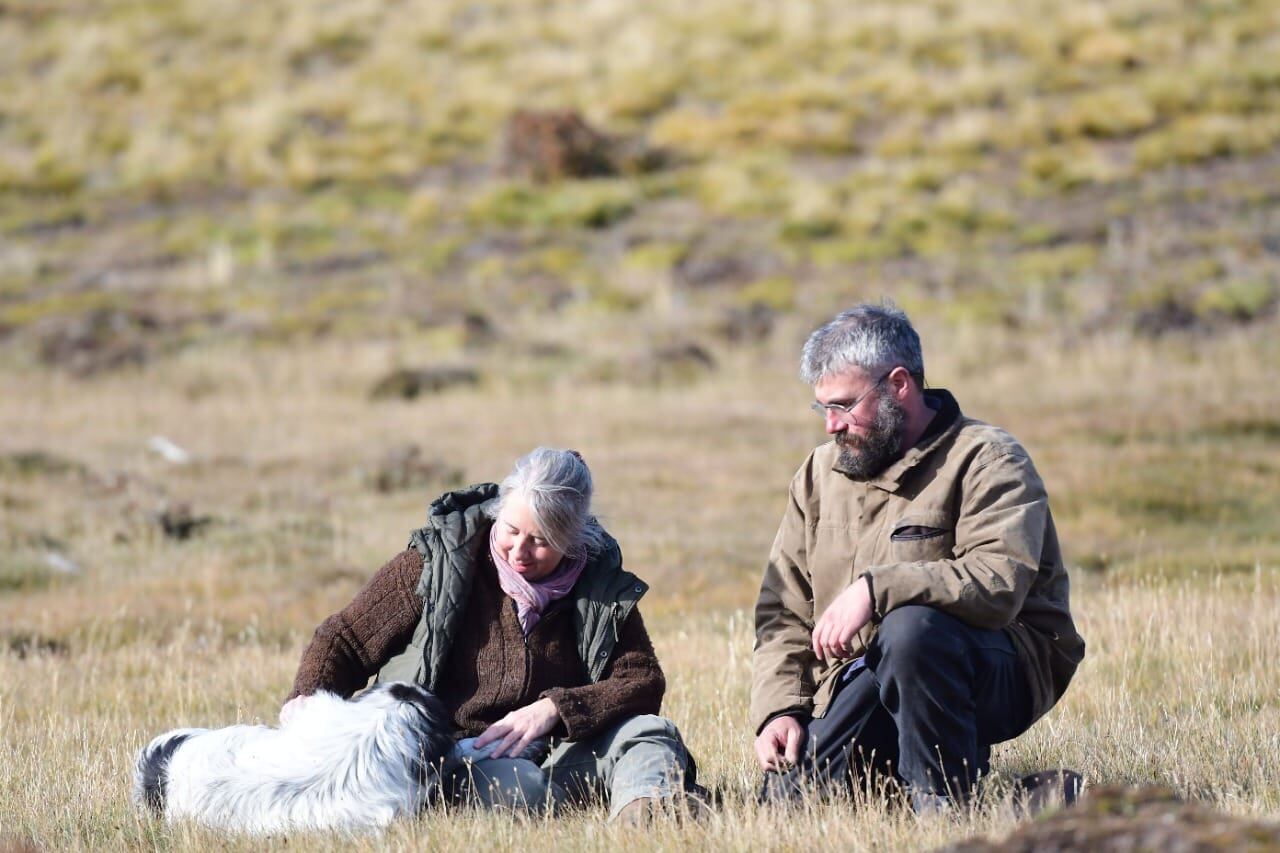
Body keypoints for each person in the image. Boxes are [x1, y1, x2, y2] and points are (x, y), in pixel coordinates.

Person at [751, 304, 1085, 812]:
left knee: (912, 630)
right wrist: (780, 710)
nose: (831, 426)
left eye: (843, 405)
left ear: (899, 385)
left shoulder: (989, 459)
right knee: (788, 804)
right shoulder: (818, 475)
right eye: (822, 409)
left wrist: (875, 588)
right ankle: (1038, 799)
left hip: (994, 667)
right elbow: (783, 610)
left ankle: (942, 807)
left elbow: (997, 584)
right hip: (865, 673)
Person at [285, 447, 699, 823]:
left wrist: (555, 708)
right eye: (511, 530)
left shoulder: (601, 586)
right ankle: (611, 796)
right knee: (524, 791)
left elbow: (643, 681)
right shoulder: (435, 565)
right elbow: (345, 640)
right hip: (453, 755)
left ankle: (649, 827)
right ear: (497, 511)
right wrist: (308, 697)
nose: (519, 551)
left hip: (560, 747)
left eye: (540, 541)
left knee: (650, 734)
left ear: (572, 543)